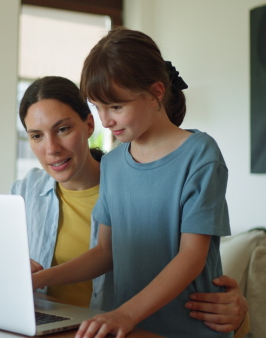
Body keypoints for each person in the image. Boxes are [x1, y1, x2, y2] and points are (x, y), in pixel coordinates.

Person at [31, 27, 233, 338]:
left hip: (189, 329)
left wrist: (125, 313)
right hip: (127, 328)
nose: (106, 121)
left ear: (155, 93)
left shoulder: (200, 154)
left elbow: (191, 257)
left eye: (116, 107)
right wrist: (38, 279)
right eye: (98, 107)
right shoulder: (112, 163)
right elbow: (104, 252)